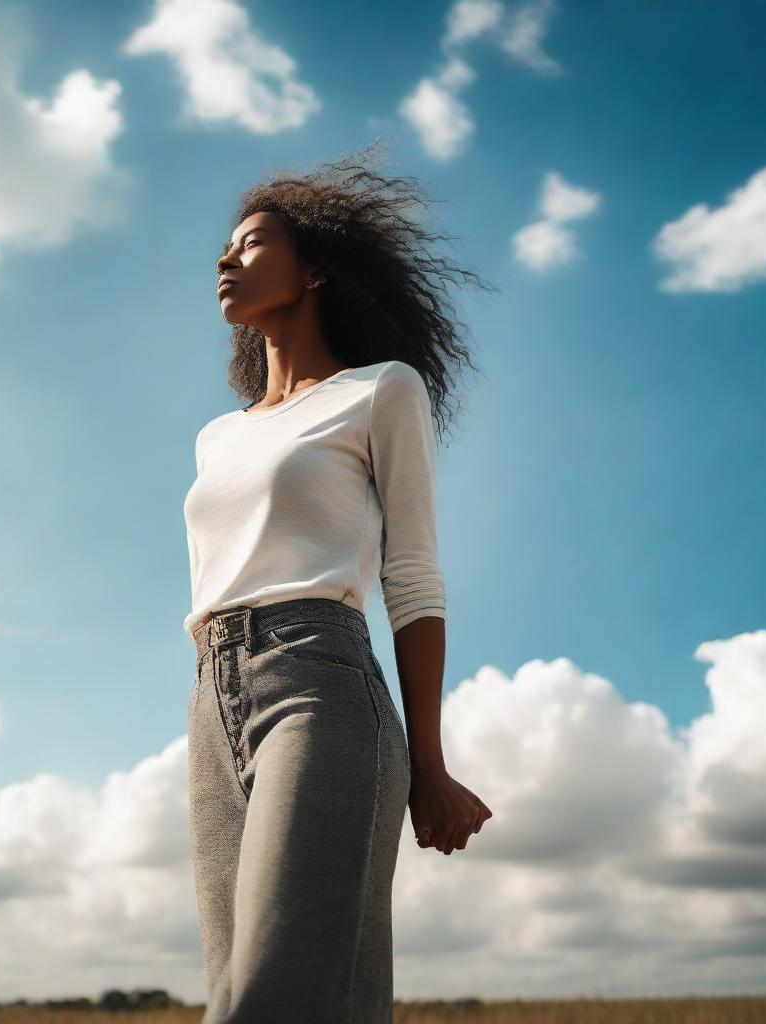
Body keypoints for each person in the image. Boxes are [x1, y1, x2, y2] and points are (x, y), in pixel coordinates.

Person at [183, 144, 494, 1023]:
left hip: (320, 682)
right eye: (226, 245)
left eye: (251, 243)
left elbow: (414, 577)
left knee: (274, 1002)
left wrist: (427, 766)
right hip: (210, 699)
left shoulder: (379, 392)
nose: (225, 259)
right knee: (244, 993)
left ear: (315, 269)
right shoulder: (218, 437)